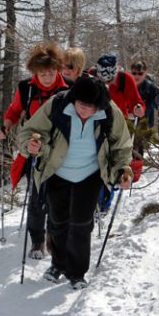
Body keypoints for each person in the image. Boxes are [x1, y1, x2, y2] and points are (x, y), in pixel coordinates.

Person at [17, 75, 134, 290]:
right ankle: (58, 264)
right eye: (81, 105)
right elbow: (28, 131)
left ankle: (77, 272)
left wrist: (122, 170)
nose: (85, 111)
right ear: (74, 99)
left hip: (89, 175)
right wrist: (31, 145)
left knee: (81, 224)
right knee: (57, 221)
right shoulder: (58, 105)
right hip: (57, 171)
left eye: (91, 107)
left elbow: (122, 145)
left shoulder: (109, 111)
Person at [0, 42, 69, 260]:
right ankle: (37, 241)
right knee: (37, 198)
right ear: (35, 72)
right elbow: (15, 110)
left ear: (57, 70)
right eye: (43, 73)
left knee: (56, 199)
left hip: (59, 151)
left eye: (51, 73)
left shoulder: (67, 90)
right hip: (34, 150)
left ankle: (53, 239)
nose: (47, 77)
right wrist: (6, 126)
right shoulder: (26, 88)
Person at [89, 52, 145, 123]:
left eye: (110, 80)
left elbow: (136, 101)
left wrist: (139, 108)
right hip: (95, 122)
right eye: (103, 81)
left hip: (119, 122)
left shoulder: (125, 79)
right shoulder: (90, 77)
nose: (107, 84)